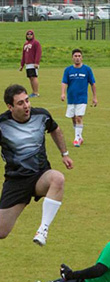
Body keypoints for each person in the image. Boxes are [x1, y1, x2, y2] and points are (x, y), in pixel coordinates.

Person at [0, 84, 73, 246]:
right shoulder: (2, 124)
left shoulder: (41, 116)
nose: (26, 106)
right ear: (10, 106)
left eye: (27, 101)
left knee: (57, 178)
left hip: (40, 176)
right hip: (16, 181)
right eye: (20, 103)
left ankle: (43, 230)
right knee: (2, 231)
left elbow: (55, 129)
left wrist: (64, 154)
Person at [61, 49, 97, 147]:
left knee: (78, 117)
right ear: (72, 58)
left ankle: (76, 138)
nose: (77, 58)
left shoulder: (87, 69)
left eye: (79, 56)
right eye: (75, 56)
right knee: (73, 118)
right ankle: (79, 136)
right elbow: (64, 82)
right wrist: (63, 93)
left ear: (82, 57)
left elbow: (92, 83)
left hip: (82, 98)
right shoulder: (68, 70)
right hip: (71, 98)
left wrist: (94, 97)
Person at [20, 29, 42, 97]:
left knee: (34, 77)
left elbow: (38, 53)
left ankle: (36, 92)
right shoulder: (25, 44)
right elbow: (23, 55)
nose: (29, 36)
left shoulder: (36, 43)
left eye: (31, 34)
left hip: (33, 63)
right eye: (28, 34)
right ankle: (33, 92)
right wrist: (22, 65)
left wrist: (36, 62)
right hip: (28, 64)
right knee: (30, 78)